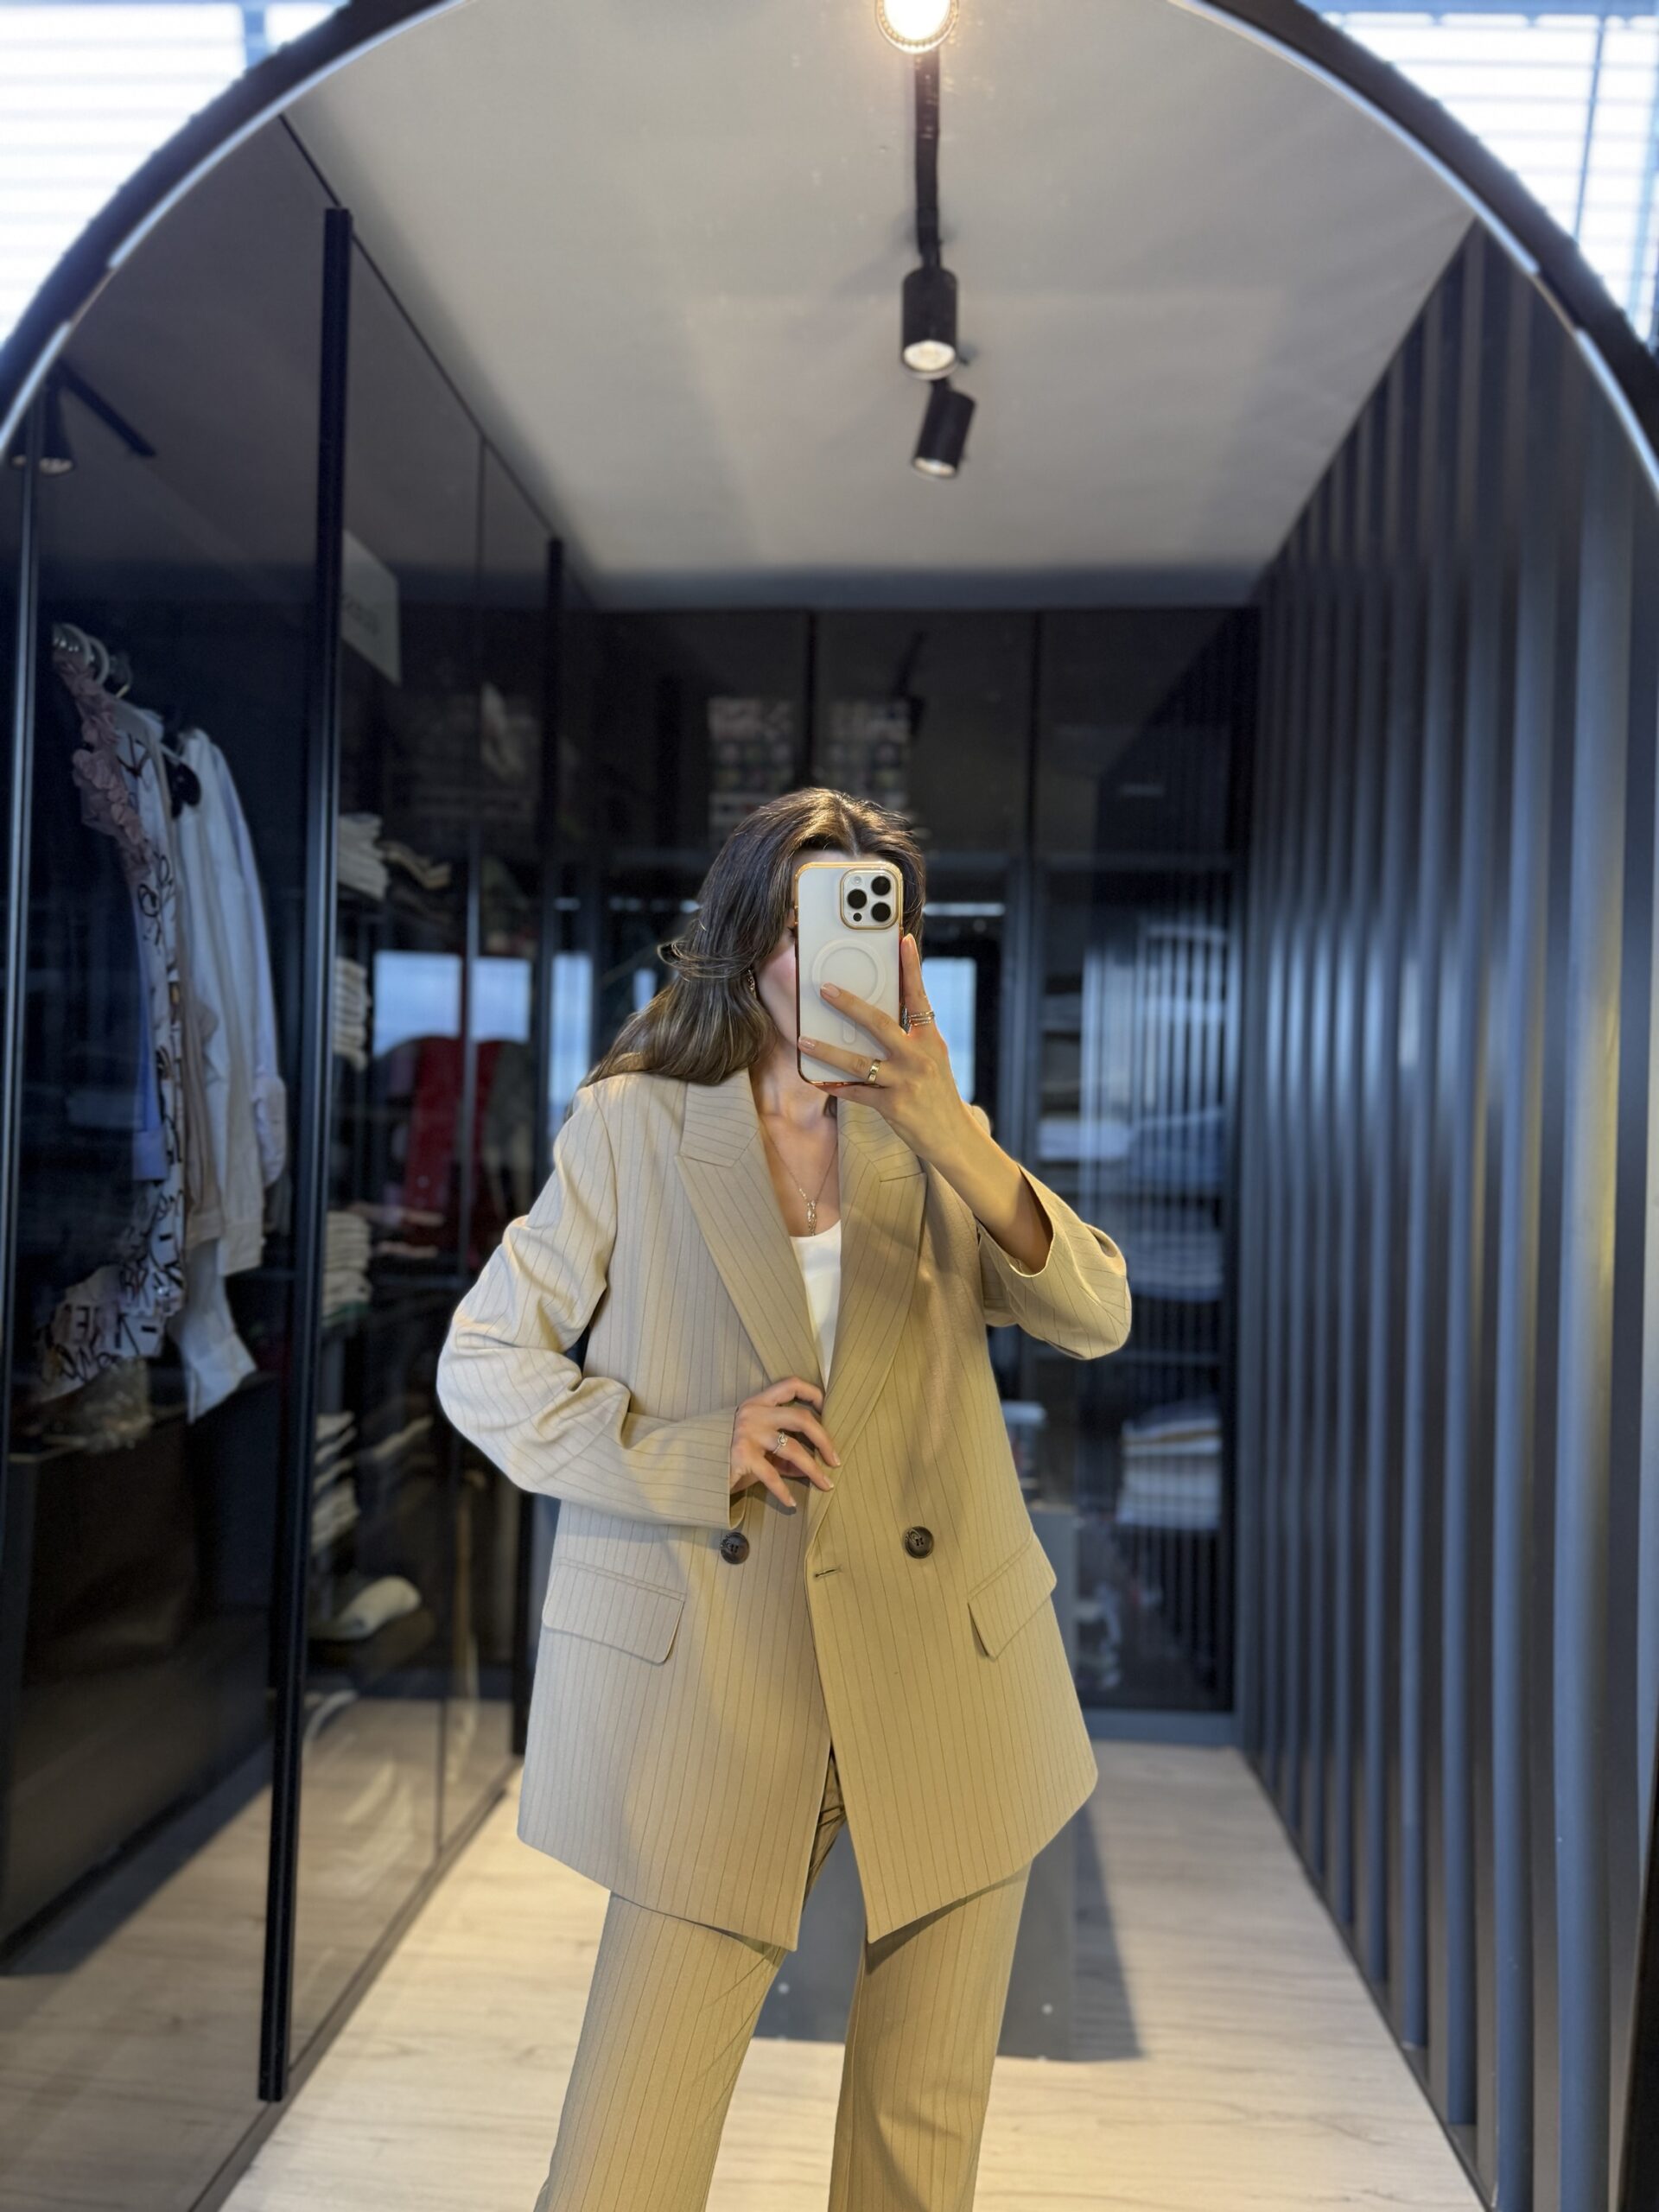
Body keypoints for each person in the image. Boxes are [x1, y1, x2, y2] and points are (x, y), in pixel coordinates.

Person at [435, 786, 1132, 2212]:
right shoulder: (634, 1127)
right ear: (750, 934)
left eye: (871, 921)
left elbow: (1095, 1314)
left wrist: (952, 1134)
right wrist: (696, 1450)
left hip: (945, 1681)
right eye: (811, 919)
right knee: (619, 2170)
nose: (836, 955)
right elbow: (483, 1366)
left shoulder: (933, 1136)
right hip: (718, 1686)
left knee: (913, 2164)